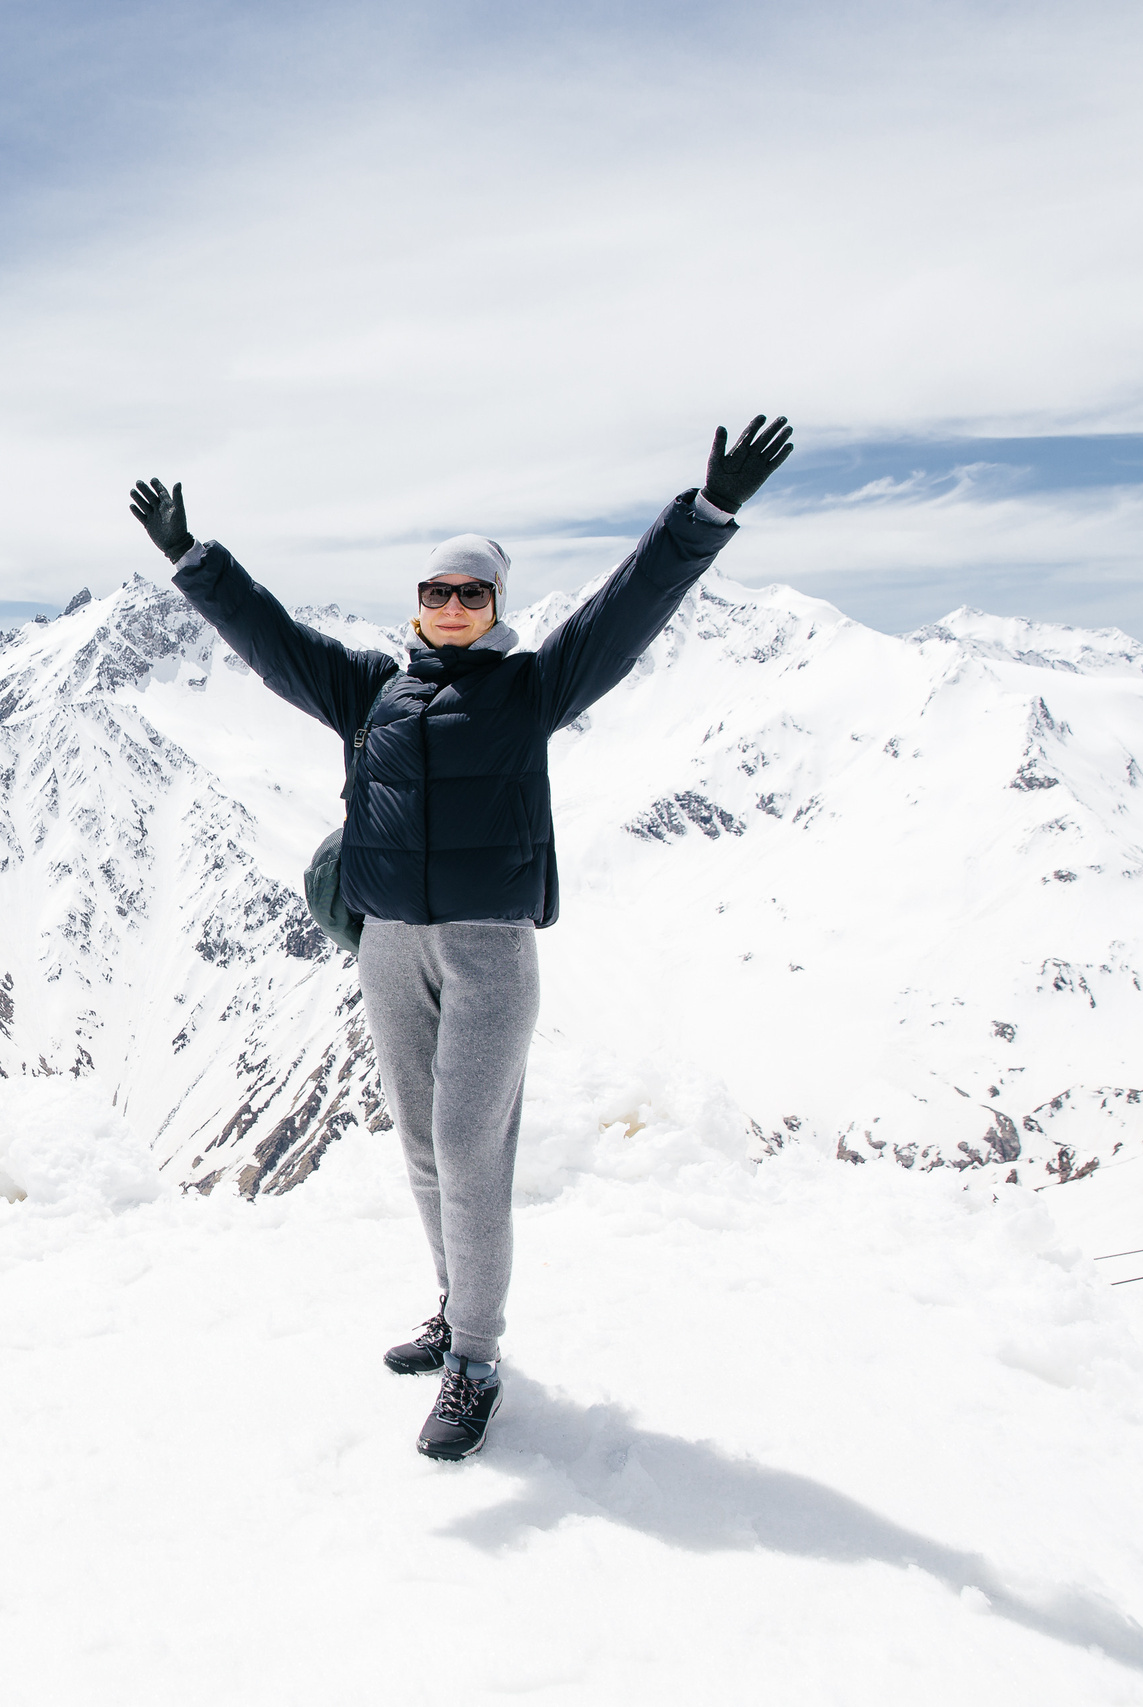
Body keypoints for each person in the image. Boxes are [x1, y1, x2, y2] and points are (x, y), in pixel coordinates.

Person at [128, 417, 795, 1460]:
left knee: (472, 1155)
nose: (449, 606)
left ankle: (475, 1360)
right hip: (387, 945)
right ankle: (451, 1310)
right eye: (435, 591)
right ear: (418, 603)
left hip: (489, 951)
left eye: (469, 594)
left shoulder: (530, 688)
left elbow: (625, 614)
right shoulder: (368, 692)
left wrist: (702, 515)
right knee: (424, 1152)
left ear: (494, 608)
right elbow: (269, 641)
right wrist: (192, 560)